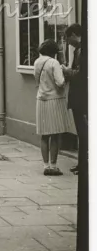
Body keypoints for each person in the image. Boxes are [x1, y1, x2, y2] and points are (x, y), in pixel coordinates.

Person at [34, 39, 76, 176]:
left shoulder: (37, 62)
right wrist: (66, 74)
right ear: (54, 51)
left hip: (41, 100)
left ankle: (45, 165)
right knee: (55, 134)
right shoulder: (54, 63)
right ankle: (53, 165)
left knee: (44, 135)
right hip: (55, 100)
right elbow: (60, 82)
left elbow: (37, 80)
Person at [62, 23, 86, 175]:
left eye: (68, 38)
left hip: (82, 97)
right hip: (79, 97)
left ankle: (84, 166)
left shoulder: (83, 49)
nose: (68, 42)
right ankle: (81, 164)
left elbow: (81, 74)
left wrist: (66, 71)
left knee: (84, 132)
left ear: (74, 35)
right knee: (82, 132)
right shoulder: (79, 49)